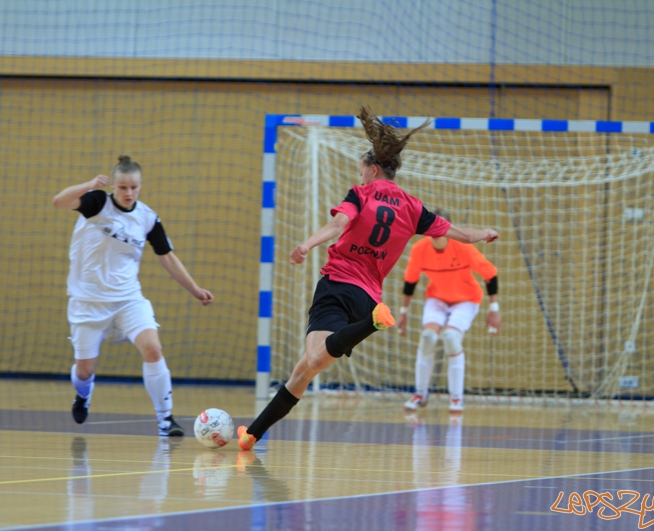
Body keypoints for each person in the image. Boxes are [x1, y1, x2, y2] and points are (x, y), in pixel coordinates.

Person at [237, 106, 499, 451]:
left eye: (361, 171)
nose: (359, 177)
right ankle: (252, 435)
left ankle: (374, 324)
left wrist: (306, 244)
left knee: (312, 361)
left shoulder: (361, 194)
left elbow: (337, 225)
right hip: (368, 298)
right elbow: (458, 233)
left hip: (338, 284)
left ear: (373, 169)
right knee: (305, 369)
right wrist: (483, 233)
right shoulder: (413, 207)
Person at [53, 155, 213, 436]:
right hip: (88, 302)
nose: (129, 193)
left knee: (153, 348)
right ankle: (83, 395)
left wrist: (195, 289)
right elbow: (59, 201)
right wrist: (89, 185)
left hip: (128, 299)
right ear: (114, 185)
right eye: (123, 187)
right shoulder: (97, 203)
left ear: (140, 186)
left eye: (134, 188)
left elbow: (168, 258)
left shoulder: (147, 218)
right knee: (84, 371)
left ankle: (166, 420)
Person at [397, 211, 500, 413]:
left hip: (467, 299)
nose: (436, 232)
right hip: (437, 298)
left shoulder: (463, 248)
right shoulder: (419, 249)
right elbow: (410, 281)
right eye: (432, 226)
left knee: (451, 337)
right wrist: (403, 312)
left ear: (448, 228)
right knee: (427, 337)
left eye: (441, 226)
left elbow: (490, 274)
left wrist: (494, 309)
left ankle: (456, 397)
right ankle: (420, 394)